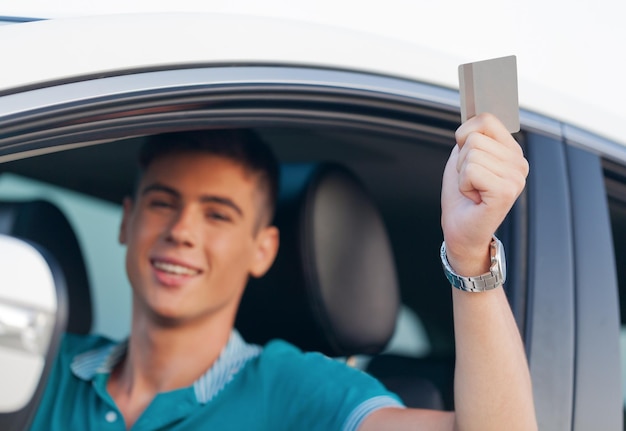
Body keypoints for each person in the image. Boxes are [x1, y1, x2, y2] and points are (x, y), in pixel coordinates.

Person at [29, 113, 537, 430]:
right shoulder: (39, 368)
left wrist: (469, 254)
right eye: (163, 203)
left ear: (262, 250)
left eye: (217, 214)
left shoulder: (296, 390)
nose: (182, 231)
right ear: (128, 221)